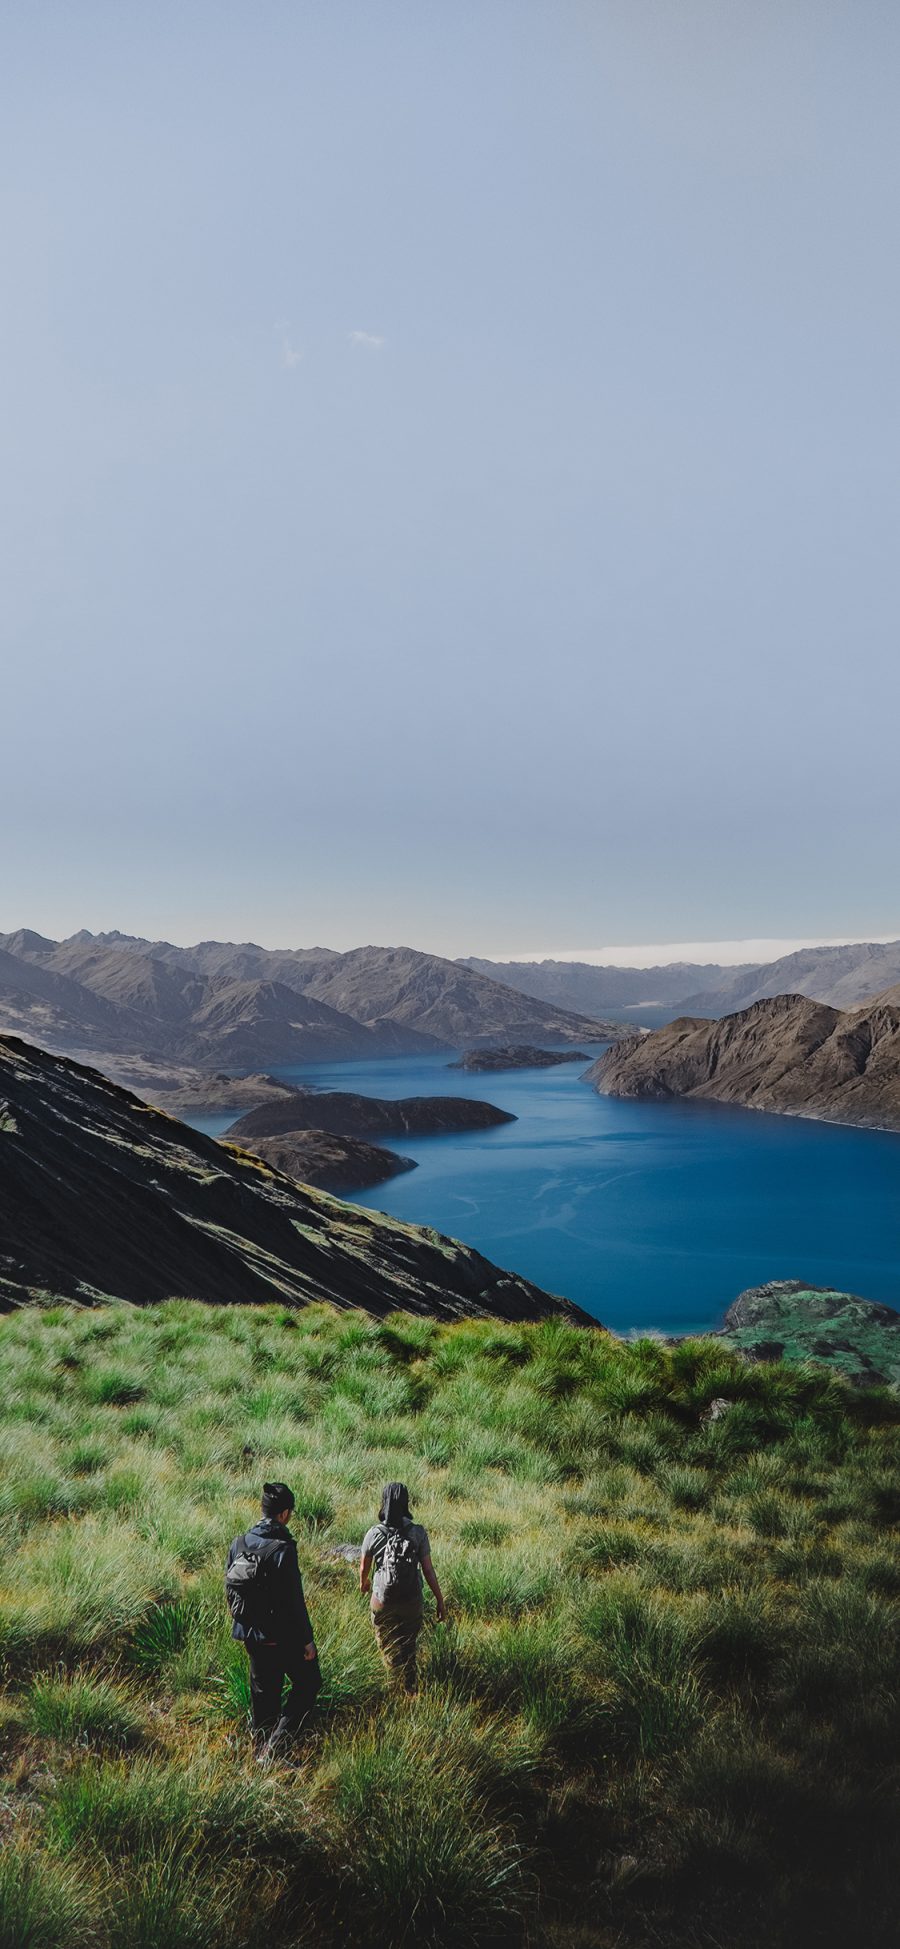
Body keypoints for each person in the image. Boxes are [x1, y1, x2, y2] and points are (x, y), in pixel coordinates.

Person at [225, 1481, 320, 1759]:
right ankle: (276, 1749)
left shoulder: (238, 1543)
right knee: (309, 1683)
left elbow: (229, 1588)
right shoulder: (283, 1549)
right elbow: (294, 1600)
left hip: (249, 1634)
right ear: (284, 1514)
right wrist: (307, 1640)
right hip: (281, 1637)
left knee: (263, 1697)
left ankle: (259, 1754)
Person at [359, 1481, 445, 1695]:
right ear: (406, 1502)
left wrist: (364, 1584)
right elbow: (428, 1570)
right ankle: (410, 1690)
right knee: (408, 1647)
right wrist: (439, 1600)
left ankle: (392, 1687)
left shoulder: (373, 1533)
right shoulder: (417, 1532)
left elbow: (363, 1568)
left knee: (388, 1647)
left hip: (382, 1601)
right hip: (411, 1601)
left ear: (383, 1502)